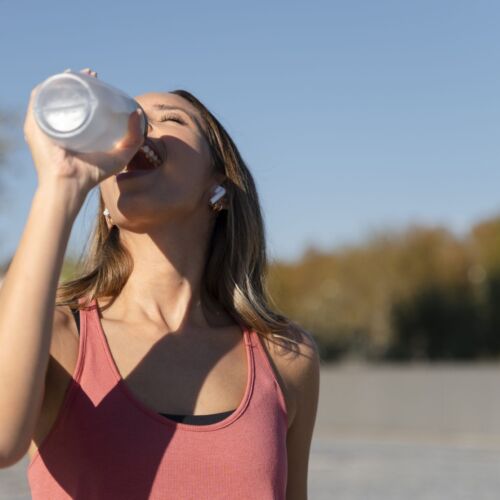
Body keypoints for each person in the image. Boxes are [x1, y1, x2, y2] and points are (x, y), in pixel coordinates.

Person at [0, 68, 320, 499]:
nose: (136, 131)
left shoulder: (285, 357)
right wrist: (61, 185)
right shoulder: (60, 339)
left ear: (218, 181)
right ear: (105, 208)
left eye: (169, 119)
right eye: (127, 119)